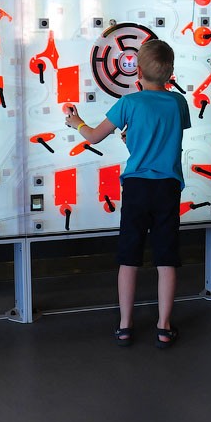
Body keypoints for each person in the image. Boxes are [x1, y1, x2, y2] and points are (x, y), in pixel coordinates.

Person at [65, 39, 191, 348]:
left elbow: (94, 136)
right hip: (168, 187)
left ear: (137, 73)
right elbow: (166, 138)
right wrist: (135, 138)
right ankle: (164, 327)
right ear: (170, 73)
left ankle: (124, 326)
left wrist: (76, 122)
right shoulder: (178, 103)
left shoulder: (129, 103)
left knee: (129, 257)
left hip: (136, 187)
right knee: (166, 259)